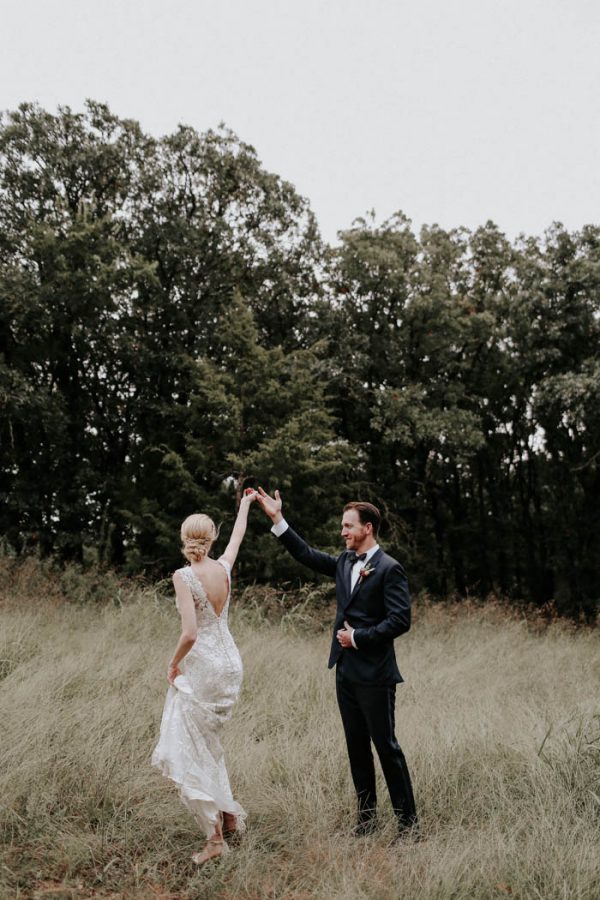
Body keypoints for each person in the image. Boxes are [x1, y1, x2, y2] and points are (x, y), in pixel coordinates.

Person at [257, 488, 418, 838]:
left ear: (368, 528)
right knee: (356, 748)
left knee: (386, 748)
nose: (342, 532)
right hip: (344, 671)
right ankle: (367, 823)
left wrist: (358, 637)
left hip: (375, 674)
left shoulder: (390, 569)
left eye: (348, 526)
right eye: (342, 526)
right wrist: (277, 519)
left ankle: (409, 827)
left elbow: (400, 620)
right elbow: (307, 555)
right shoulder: (345, 562)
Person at [151, 490, 257, 865]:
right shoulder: (223, 568)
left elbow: (190, 634)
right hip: (231, 666)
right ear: (211, 539)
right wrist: (245, 505)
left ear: (184, 538)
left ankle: (214, 839)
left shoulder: (183, 576)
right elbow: (238, 537)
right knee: (207, 742)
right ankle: (228, 818)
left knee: (190, 745)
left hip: (204, 667)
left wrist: (172, 664)